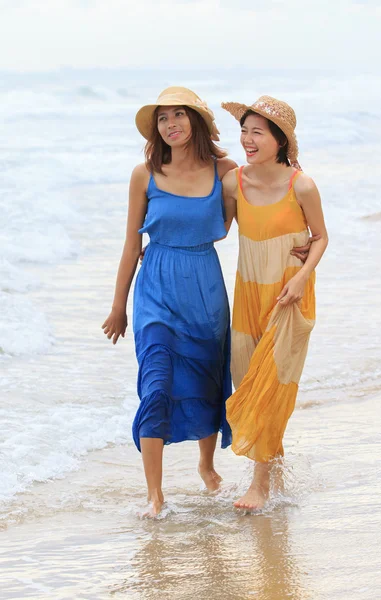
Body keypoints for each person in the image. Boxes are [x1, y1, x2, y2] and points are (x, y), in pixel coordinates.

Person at [102, 87, 236, 517]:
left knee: (207, 382)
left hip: (203, 286)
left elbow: (248, 220)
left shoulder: (225, 171)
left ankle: (205, 463)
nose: (171, 123)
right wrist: (118, 305)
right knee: (156, 385)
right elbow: (130, 244)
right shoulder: (144, 173)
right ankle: (155, 495)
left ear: (196, 121)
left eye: (179, 114)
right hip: (155, 287)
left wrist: (301, 246)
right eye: (163, 118)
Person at [221, 95, 328, 510]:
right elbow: (216, 226)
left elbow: (320, 237)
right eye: (244, 131)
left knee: (271, 382)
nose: (247, 139)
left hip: (289, 294)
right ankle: (273, 463)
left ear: (280, 140)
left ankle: (260, 485)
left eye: (257, 132)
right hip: (249, 291)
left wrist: (303, 276)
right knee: (247, 376)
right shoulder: (234, 182)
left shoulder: (301, 184)